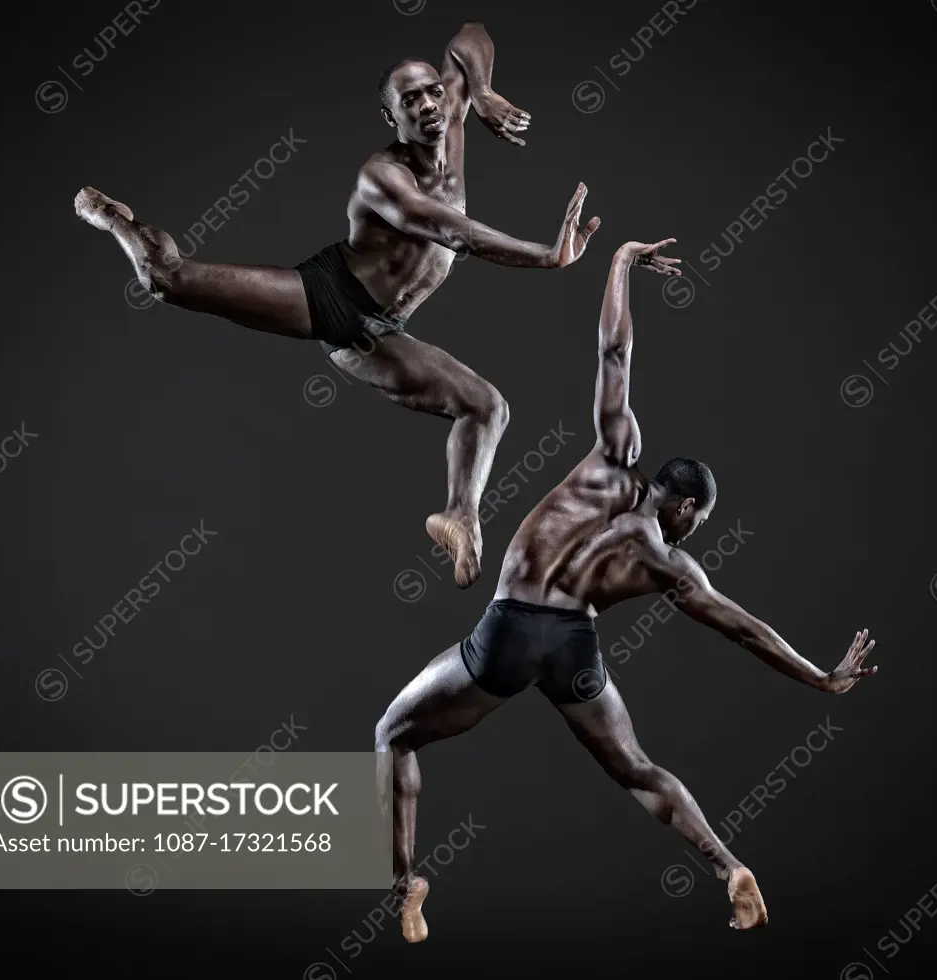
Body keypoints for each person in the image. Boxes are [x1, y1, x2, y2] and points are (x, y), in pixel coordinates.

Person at [374, 238, 879, 941]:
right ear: (683, 505)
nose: (692, 531)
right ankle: (728, 869)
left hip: (510, 627)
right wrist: (820, 677)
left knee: (394, 733)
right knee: (639, 772)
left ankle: (406, 884)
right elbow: (742, 628)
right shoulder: (668, 564)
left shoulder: (612, 458)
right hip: (573, 646)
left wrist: (619, 263)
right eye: (694, 520)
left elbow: (614, 354)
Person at [73, 21, 600, 588]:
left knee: (487, 408)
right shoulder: (383, 176)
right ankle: (111, 217)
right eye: (409, 100)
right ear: (391, 118)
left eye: (434, 92)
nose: (427, 104)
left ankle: (458, 514)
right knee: (167, 280)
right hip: (331, 297)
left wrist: (484, 87)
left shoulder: (453, 110)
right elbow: (455, 233)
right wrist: (546, 256)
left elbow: (470, 35)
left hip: (387, 327)